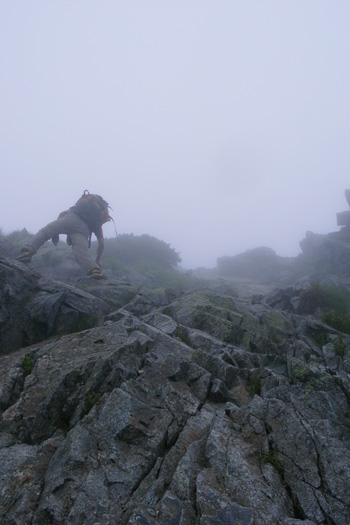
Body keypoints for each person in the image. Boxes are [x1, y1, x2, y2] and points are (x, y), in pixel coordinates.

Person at [16, 191, 111, 279]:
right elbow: (101, 243)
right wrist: (97, 260)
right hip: (84, 230)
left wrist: (55, 234)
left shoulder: (77, 209)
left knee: (45, 232)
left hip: (71, 218)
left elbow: (62, 213)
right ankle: (94, 270)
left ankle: (27, 252)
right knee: (80, 251)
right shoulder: (96, 224)